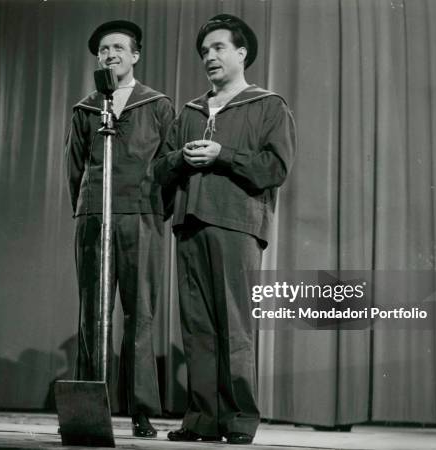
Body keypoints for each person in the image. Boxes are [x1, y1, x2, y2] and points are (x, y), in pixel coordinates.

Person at [153, 14, 296, 445]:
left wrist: (223, 154)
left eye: (218, 48)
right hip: (189, 224)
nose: (209, 57)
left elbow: (275, 168)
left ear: (241, 52)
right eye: (204, 52)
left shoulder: (268, 105)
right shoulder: (191, 111)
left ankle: (237, 421)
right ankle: (201, 421)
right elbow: (159, 167)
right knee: (197, 327)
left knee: (235, 326)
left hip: (236, 224)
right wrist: (182, 158)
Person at [65, 20, 174, 438]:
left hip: (141, 215)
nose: (109, 55)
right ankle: (90, 406)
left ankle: (141, 410)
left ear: (135, 55)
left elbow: (168, 162)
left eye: (117, 48)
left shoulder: (157, 105)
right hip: (94, 215)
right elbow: (75, 170)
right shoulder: (86, 108)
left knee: (139, 313)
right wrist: (87, 208)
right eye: (103, 50)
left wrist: (153, 212)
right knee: (92, 311)